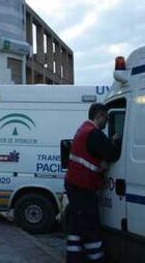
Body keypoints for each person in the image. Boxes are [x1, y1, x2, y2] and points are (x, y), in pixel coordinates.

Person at [65, 103, 121, 262]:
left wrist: (108, 143)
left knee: (76, 227)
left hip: (75, 185)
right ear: (100, 116)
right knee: (90, 227)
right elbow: (112, 153)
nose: (107, 122)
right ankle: (97, 259)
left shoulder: (84, 129)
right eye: (107, 118)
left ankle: (73, 258)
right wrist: (114, 143)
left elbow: (96, 150)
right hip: (83, 188)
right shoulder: (94, 133)